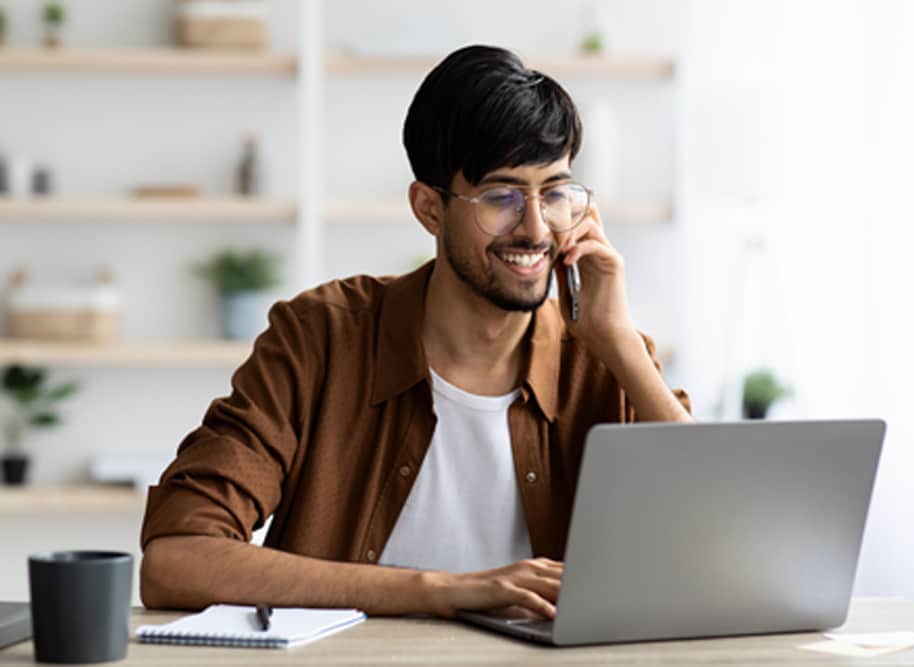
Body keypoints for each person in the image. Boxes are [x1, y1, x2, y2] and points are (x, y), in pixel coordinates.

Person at [139, 44, 692, 621]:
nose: (535, 228)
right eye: (501, 196)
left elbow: (719, 550)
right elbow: (177, 561)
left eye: (554, 193)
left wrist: (621, 345)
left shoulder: (607, 353)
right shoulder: (320, 338)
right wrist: (440, 591)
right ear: (429, 208)